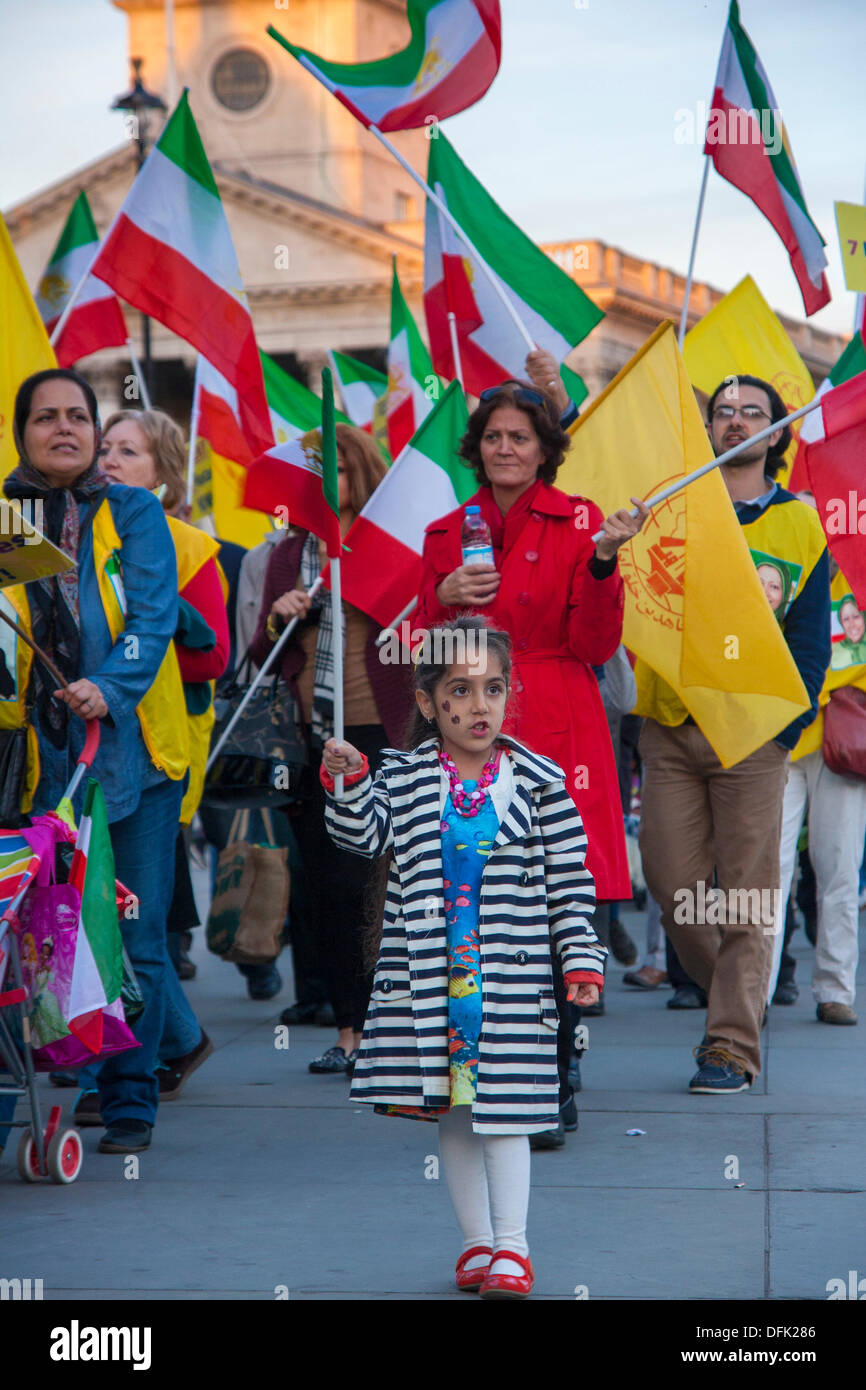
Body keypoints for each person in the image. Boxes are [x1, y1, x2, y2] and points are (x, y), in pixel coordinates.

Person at [320, 617, 606, 1298]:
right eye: (460, 690)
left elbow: (571, 880)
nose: (480, 706)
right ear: (426, 703)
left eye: (494, 688)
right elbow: (361, 838)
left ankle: (514, 1247)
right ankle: (477, 1243)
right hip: (430, 984)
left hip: (511, 984)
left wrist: (580, 959)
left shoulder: (540, 783)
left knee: (507, 1111)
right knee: (452, 1112)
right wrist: (351, 781)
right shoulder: (405, 777)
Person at [413, 378, 647, 1140]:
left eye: (521, 436)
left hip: (557, 716)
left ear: (547, 448)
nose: (506, 448)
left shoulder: (583, 523)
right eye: (493, 437)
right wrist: (444, 595)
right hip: (469, 725)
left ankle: (559, 1070)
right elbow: (421, 648)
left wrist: (607, 562)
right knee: (475, 901)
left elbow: (594, 645)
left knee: (554, 900)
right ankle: (478, 1069)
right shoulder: (446, 531)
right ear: (476, 448)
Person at [1, 368, 189, 1154]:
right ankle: (57, 1086)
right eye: (47, 418)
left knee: (133, 934)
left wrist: (108, 687)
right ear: (23, 434)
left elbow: (152, 616)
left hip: (134, 757)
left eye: (78, 415)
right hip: (35, 764)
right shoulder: (7, 517)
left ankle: (130, 1103)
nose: (66, 429)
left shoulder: (134, 511)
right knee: (44, 934)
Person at [637, 374, 830, 1093]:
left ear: (777, 433)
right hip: (670, 724)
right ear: (709, 428)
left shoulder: (800, 525)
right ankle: (738, 990)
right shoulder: (672, 504)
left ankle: (730, 1048)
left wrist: (789, 725)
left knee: (749, 893)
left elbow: (810, 638)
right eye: (723, 412)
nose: (737, 422)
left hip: (753, 735)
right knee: (670, 880)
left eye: (754, 413)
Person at [250, 424, 412, 1073]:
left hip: (386, 731)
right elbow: (261, 658)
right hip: (315, 736)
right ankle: (350, 1031)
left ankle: (395, 1025)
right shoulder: (291, 552)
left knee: (379, 884)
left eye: (337, 471)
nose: (326, 486)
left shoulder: (389, 543)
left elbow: (420, 628)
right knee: (330, 886)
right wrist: (277, 618)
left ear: (362, 475)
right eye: (317, 473)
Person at [97, 408, 228, 1080]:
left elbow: (213, 661)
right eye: (106, 448)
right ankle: (173, 1040)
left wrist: (135, 650)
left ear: (164, 473)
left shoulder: (185, 544)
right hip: (79, 752)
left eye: (129, 451)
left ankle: (130, 1080)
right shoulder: (68, 530)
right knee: (101, 918)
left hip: (155, 749)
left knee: (138, 925)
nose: (111, 460)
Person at [766, 531, 866, 1023]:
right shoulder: (779, 576)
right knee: (768, 874)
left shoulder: (860, 582)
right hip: (781, 742)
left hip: (843, 747)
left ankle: (835, 990)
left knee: (840, 871)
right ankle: (754, 994)